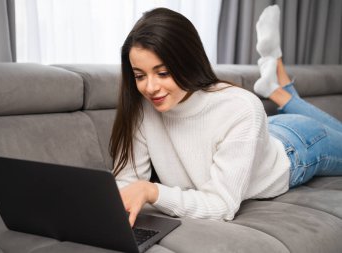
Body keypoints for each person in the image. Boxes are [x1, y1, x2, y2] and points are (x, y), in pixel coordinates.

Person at [110, 6, 342, 227]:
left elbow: (221, 205)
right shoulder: (141, 107)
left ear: (188, 62)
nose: (150, 87)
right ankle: (278, 88)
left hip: (297, 147)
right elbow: (127, 184)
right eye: (139, 75)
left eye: (163, 73)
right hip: (254, 137)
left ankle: (281, 92)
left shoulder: (241, 107)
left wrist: (152, 191)